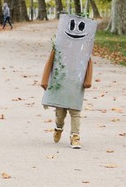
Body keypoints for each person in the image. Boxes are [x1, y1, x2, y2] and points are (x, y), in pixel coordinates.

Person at [41, 14, 97, 149]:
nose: (76, 30)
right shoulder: (58, 49)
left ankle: (75, 136)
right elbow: (50, 63)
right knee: (60, 113)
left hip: (76, 85)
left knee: (75, 111)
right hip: (61, 82)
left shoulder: (83, 50)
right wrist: (45, 80)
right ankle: (58, 127)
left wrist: (87, 80)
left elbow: (88, 63)